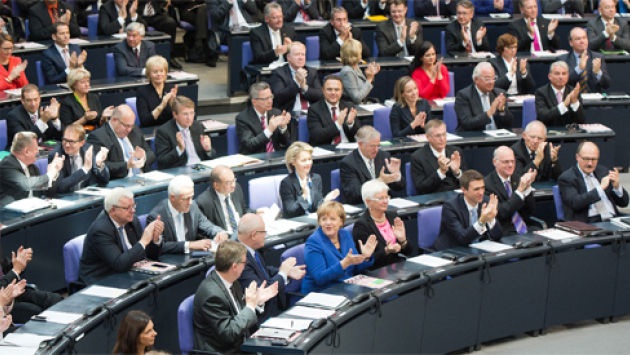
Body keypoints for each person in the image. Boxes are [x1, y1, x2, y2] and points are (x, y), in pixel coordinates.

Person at [193, 240, 278, 354]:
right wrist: (250, 306)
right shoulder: (212, 295)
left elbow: (240, 314)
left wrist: (256, 302)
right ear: (234, 266)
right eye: (244, 263)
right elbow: (229, 333)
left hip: (242, 345)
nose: (245, 265)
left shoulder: (232, 281)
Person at [79, 188, 164, 285]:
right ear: (113, 210)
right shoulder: (100, 230)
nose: (133, 210)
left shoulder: (131, 221)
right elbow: (119, 264)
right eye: (127, 208)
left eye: (133, 206)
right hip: (102, 280)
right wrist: (144, 241)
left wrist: (155, 239)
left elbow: (147, 254)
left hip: (127, 273)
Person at [237, 213, 306, 322]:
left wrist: (287, 272)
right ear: (254, 235)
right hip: (260, 319)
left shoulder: (249, 249)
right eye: (264, 231)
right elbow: (262, 292)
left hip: (273, 311)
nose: (266, 235)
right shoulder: (240, 259)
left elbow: (264, 270)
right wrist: (282, 274)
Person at [302, 201, 376, 293]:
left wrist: (365, 256)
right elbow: (319, 278)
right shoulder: (314, 242)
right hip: (323, 291)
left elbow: (355, 268)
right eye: (324, 219)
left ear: (341, 221)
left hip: (347, 287)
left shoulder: (345, 234)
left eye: (333, 219)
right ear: (319, 222)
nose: (328, 223)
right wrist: (343, 264)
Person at [146, 176, 228, 255]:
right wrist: (189, 245)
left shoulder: (192, 207)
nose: (190, 202)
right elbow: (160, 247)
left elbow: (207, 225)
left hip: (191, 258)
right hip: (171, 260)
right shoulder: (156, 216)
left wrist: (220, 233)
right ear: (173, 197)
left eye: (191, 197)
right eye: (186, 199)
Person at [0, 226, 62, 325]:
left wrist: (20, 262)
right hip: (2, 303)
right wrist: (16, 270)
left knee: (55, 298)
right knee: (36, 312)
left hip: (15, 292)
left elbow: (7, 269)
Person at [558, 142, 629, 223]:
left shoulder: (603, 171)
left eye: (593, 159)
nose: (590, 163)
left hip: (613, 218)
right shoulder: (567, 178)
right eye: (586, 159)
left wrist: (617, 187)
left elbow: (624, 203)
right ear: (577, 157)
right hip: (589, 221)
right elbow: (576, 203)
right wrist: (600, 188)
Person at [433, 170, 503, 250]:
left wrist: (491, 220)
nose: (481, 192)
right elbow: (462, 237)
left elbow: (498, 236)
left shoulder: (486, 202)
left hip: (478, 248)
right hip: (453, 250)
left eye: (482, 187)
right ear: (464, 190)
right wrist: (481, 221)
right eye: (476, 189)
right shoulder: (451, 207)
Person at [353, 180, 412, 270]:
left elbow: (409, 251)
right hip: (378, 270)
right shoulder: (361, 225)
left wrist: (403, 240)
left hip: (398, 267)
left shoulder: (392, 216)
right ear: (368, 202)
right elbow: (366, 261)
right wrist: (387, 251)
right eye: (380, 198)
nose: (385, 201)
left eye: (386, 197)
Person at [86, 104, 156, 179]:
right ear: (114, 120)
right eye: (126, 126)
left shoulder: (135, 131)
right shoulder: (98, 137)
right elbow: (101, 166)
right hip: (118, 183)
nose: (129, 129)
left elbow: (151, 154)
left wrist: (143, 156)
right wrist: (127, 165)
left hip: (142, 179)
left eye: (131, 125)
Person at [340, 126, 405, 204]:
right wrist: (379, 181)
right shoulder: (348, 163)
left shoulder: (383, 156)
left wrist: (396, 174)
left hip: (384, 203)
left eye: (378, 146)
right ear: (360, 144)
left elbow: (400, 187)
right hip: (362, 205)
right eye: (372, 146)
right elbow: (353, 193)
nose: (376, 150)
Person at [0, 132, 63, 207]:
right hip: (7, 215)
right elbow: (26, 184)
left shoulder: (32, 167)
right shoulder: (6, 165)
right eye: (36, 148)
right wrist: (49, 175)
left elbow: (45, 193)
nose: (38, 151)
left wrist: (54, 174)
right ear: (26, 151)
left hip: (31, 213)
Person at [484, 146, 538, 235]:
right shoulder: (487, 184)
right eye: (506, 162)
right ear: (495, 162)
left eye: (512, 161)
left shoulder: (518, 179)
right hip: (504, 230)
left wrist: (527, 188)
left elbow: (530, 211)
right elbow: (502, 212)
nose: (510, 165)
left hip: (525, 226)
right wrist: (520, 190)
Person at [280, 142, 340, 218]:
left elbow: (317, 206)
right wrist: (304, 196)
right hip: (297, 224)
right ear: (293, 162)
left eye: (309, 159)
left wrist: (326, 199)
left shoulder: (316, 178)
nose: (308, 163)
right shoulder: (286, 183)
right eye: (303, 160)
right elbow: (291, 212)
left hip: (313, 221)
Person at [154, 96, 216, 169]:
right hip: (181, 171)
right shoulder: (164, 131)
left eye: (192, 113)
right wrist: (179, 149)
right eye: (185, 114)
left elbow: (212, 155)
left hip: (201, 167)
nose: (189, 117)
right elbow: (162, 161)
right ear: (175, 114)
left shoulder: (198, 126)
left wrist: (208, 150)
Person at [197, 165, 262, 235]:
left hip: (243, 233)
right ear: (216, 185)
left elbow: (243, 212)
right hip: (226, 240)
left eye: (234, 180)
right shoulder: (204, 202)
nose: (233, 185)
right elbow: (206, 230)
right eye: (228, 183)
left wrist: (256, 212)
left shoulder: (236, 189)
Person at [47, 125, 110, 194]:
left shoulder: (88, 150)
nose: (67, 145)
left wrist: (99, 165)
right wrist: (84, 170)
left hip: (85, 196)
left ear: (82, 143)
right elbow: (60, 187)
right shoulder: (56, 155)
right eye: (65, 140)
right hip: (67, 197)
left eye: (71, 141)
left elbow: (105, 179)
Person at [410, 119, 466, 195]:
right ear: (427, 137)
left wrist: (457, 172)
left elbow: (467, 182)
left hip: (456, 197)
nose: (442, 139)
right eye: (438, 136)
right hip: (433, 199)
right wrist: (441, 172)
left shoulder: (456, 151)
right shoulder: (417, 157)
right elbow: (421, 188)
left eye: (444, 134)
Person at [454, 62, 513, 131]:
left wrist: (501, 110)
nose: (491, 82)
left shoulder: (499, 93)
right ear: (476, 79)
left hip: (497, 138)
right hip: (475, 138)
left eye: (493, 78)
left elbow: (508, 124)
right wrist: (490, 111)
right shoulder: (464, 95)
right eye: (487, 79)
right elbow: (467, 123)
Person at [236, 82, 291, 154]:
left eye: (271, 97)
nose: (270, 101)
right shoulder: (243, 118)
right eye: (266, 99)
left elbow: (284, 142)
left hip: (276, 157)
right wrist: (269, 130)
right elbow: (250, 145)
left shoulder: (276, 113)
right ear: (254, 102)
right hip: (255, 159)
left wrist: (282, 127)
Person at [5, 85, 64, 150]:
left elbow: (60, 137)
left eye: (35, 99)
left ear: (39, 98)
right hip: (21, 153)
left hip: (44, 153)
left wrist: (55, 119)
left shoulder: (45, 111)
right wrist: (42, 121)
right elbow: (23, 142)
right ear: (22, 100)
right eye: (29, 100)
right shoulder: (13, 116)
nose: (33, 104)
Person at [268, 42, 323, 113]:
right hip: (289, 114)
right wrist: (297, 83)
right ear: (288, 57)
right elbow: (278, 98)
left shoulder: (312, 72)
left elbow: (320, 95)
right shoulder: (279, 73)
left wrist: (304, 87)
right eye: (297, 54)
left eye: (303, 54)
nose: (300, 58)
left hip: (311, 113)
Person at [307, 75, 361, 147]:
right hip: (326, 150)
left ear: (342, 91)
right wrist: (338, 123)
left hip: (347, 149)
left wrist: (350, 123)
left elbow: (358, 135)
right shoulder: (314, 109)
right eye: (329, 89)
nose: (333, 93)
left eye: (337, 89)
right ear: (323, 90)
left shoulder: (349, 107)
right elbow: (317, 136)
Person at [207, 0, 263, 67]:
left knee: (262, 38)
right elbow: (216, 15)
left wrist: (245, 1)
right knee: (241, 40)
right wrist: (228, 2)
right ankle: (242, 70)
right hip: (228, 32)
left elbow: (253, 10)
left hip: (246, 27)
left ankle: (260, 67)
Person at [559, 27, 611, 93]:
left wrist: (598, 73)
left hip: (593, 100)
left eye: (584, 38)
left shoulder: (597, 57)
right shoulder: (563, 59)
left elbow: (606, 84)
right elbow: (562, 82)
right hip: (571, 98)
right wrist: (579, 69)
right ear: (571, 43)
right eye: (578, 39)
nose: (582, 41)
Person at [534, 61, 586, 126]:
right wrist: (564, 104)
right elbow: (543, 117)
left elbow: (581, 120)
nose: (561, 77)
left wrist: (575, 103)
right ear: (550, 76)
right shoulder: (541, 92)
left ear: (568, 76)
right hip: (549, 132)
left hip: (570, 133)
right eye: (557, 74)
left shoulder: (573, 92)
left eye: (564, 74)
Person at [136, 0, 182, 69]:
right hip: (140, 15)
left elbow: (163, 1)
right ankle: (144, 57)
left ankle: (170, 55)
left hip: (156, 14)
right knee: (142, 26)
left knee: (171, 23)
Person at [136, 55, 177, 127]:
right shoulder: (142, 92)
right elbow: (145, 121)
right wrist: (162, 105)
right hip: (152, 130)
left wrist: (173, 105)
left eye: (162, 71)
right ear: (149, 74)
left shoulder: (172, 88)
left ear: (166, 72)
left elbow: (180, 118)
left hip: (170, 129)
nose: (159, 74)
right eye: (155, 72)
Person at [340, 39, 380, 104]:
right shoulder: (348, 71)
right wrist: (369, 79)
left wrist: (370, 76)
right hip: (352, 107)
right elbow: (357, 98)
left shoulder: (356, 67)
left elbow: (363, 90)